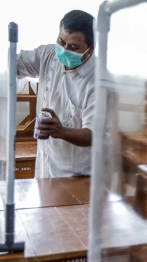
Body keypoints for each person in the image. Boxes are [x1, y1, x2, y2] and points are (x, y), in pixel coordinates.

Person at [17, 10, 95, 178]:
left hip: (77, 178)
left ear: (90, 50)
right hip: (45, 170)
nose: (64, 49)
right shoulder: (49, 55)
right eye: (61, 41)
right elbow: (15, 64)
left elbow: (93, 135)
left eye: (73, 47)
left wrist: (62, 131)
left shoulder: (99, 81)